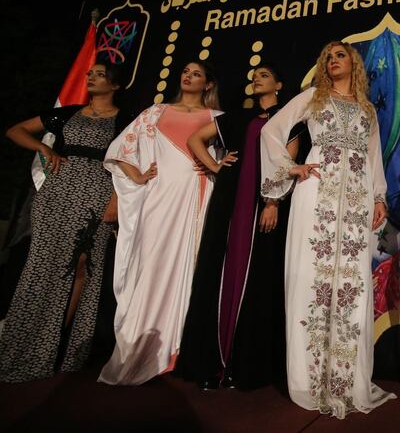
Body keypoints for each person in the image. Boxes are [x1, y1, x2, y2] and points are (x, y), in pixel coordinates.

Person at [260, 41, 395, 418]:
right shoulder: (313, 98)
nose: (334, 60)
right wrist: (291, 167)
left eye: (340, 55)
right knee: (313, 280)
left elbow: (373, 158)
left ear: (353, 62)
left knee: (350, 283)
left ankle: (345, 380)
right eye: (328, 56)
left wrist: (379, 197)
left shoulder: (367, 109)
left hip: (356, 200)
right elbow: (271, 131)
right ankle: (309, 379)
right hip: (317, 196)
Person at [176, 63, 305, 390]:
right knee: (220, 271)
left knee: (257, 279)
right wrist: (216, 166)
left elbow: (288, 164)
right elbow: (195, 140)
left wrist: (272, 203)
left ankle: (241, 364)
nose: (256, 79)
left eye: (264, 75)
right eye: (254, 76)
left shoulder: (288, 120)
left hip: (263, 204)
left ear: (278, 83)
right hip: (231, 200)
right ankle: (212, 361)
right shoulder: (237, 116)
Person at [98, 61, 222, 385]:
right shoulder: (156, 112)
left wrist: (214, 166)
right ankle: (135, 347)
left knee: (186, 267)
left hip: (194, 197)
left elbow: (226, 159)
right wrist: (138, 175)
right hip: (158, 196)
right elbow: (121, 150)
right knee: (149, 263)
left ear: (208, 84)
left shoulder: (216, 118)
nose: (188, 76)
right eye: (186, 71)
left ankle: (174, 349)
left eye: (196, 73)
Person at [0, 63, 121, 382]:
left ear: (115, 84)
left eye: (99, 74)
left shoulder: (126, 120)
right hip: (58, 193)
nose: (91, 77)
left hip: (98, 194)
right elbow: (15, 130)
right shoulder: (68, 113)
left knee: (82, 266)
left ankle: (58, 345)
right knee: (42, 266)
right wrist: (42, 147)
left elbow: (126, 162)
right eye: (89, 73)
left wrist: (115, 200)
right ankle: (25, 343)